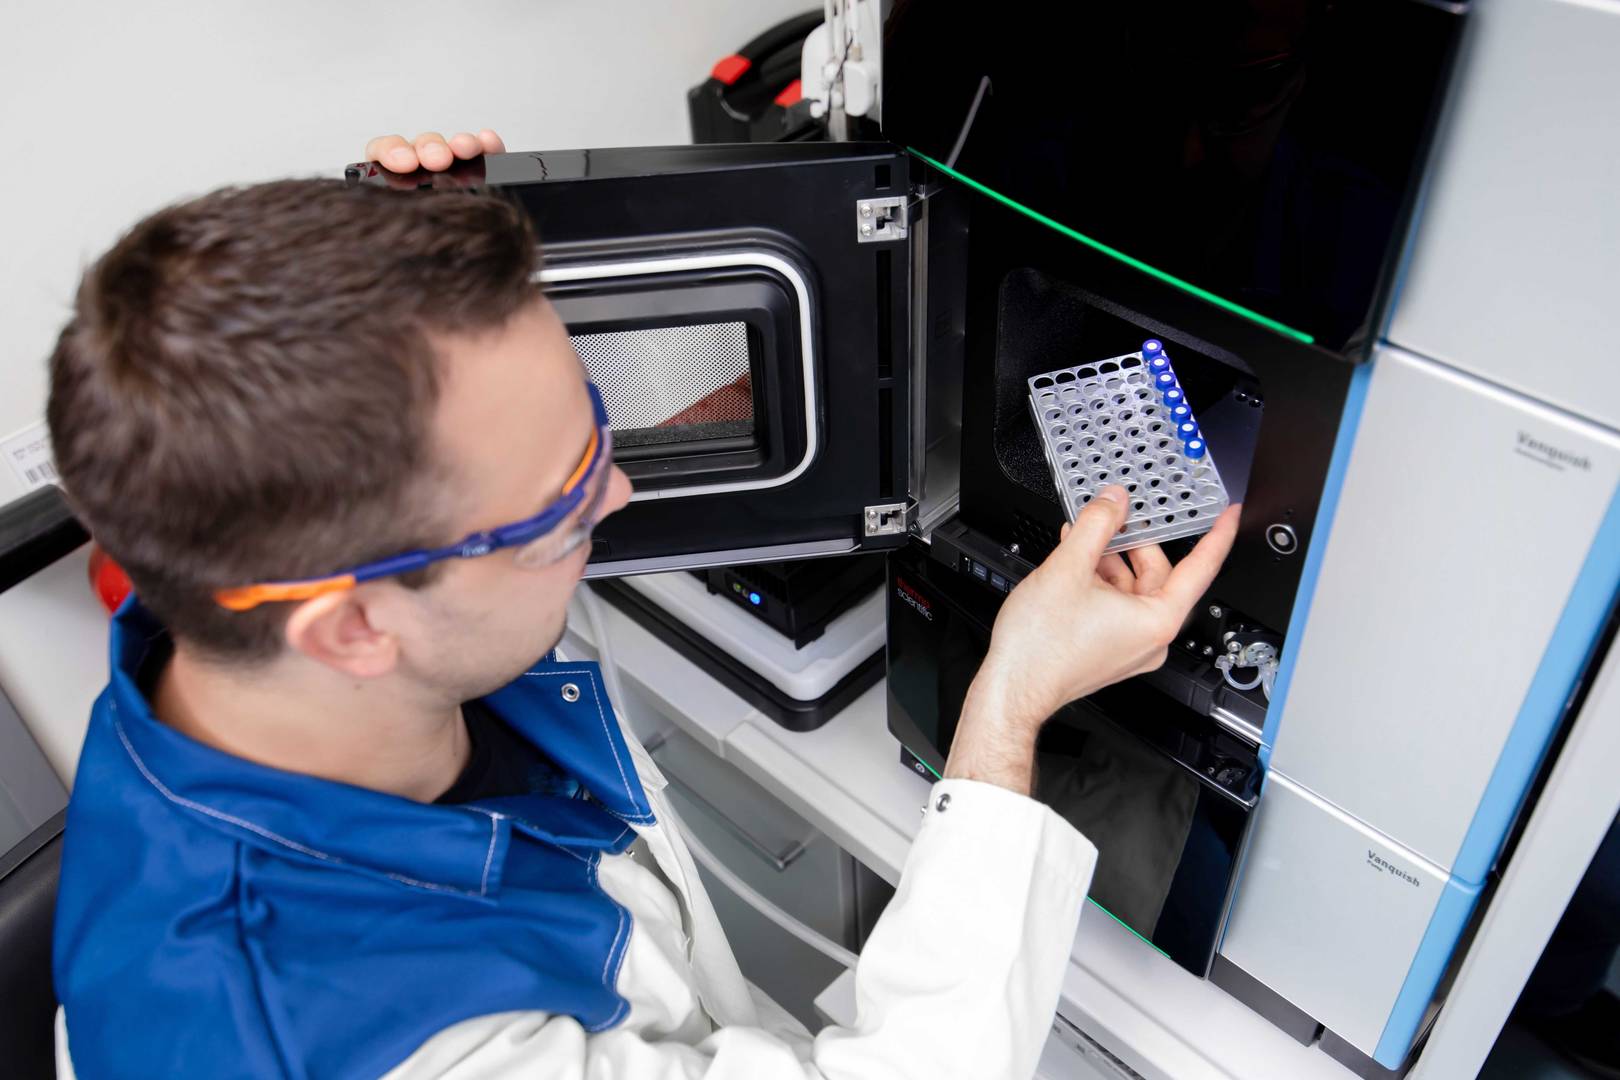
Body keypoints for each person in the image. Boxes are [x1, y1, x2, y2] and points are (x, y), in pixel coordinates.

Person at [47, 129, 1240, 1079]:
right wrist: (1010, 702)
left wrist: (432, 274)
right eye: (564, 504)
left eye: (596, 427)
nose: (618, 491)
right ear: (355, 626)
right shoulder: (389, 1048)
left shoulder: (231, 649)